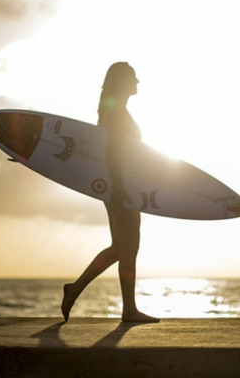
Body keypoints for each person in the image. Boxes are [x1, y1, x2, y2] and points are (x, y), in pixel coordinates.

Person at [61, 62, 159, 323]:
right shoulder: (115, 112)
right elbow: (112, 152)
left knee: (119, 247)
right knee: (130, 246)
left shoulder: (112, 110)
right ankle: (129, 310)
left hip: (118, 185)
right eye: (133, 77)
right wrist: (119, 187)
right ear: (122, 81)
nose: (138, 81)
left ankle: (75, 289)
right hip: (121, 186)